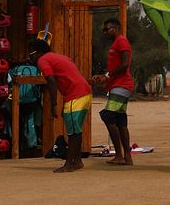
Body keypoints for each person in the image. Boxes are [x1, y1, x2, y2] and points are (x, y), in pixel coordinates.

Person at [28, 39, 92, 173]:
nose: (30, 56)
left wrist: (54, 104)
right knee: (76, 130)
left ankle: (68, 164)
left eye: (31, 52)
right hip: (83, 93)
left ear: (39, 52)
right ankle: (77, 161)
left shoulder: (43, 60)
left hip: (76, 95)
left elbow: (51, 80)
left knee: (73, 132)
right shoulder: (57, 57)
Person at [94, 18, 135, 166]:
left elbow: (125, 64)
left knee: (108, 116)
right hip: (117, 85)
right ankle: (127, 157)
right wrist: (105, 77)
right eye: (104, 30)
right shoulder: (116, 43)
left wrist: (108, 76)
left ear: (116, 28)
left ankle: (119, 154)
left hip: (122, 85)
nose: (105, 32)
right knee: (120, 121)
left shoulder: (121, 41)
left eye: (107, 29)